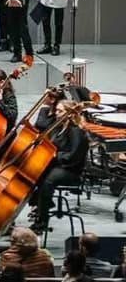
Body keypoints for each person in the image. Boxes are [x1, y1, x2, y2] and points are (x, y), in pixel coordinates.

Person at [29, 99, 88, 234]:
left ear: (69, 114)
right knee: (37, 174)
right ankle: (42, 204)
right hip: (58, 166)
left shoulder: (75, 132)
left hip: (71, 170)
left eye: (60, 111)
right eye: (57, 110)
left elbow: (73, 156)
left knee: (48, 181)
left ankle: (42, 221)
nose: (56, 113)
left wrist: (55, 155)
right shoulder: (58, 127)